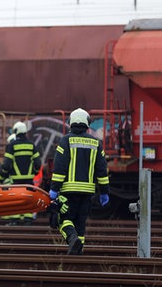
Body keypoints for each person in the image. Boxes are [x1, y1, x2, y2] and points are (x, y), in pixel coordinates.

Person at [49, 108, 110, 255]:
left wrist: (54, 189)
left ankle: (72, 239)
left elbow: (59, 168)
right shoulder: (96, 143)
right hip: (87, 193)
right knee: (80, 222)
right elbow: (102, 171)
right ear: (87, 123)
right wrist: (104, 192)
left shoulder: (65, 141)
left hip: (69, 191)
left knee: (64, 219)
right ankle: (78, 252)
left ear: (71, 122)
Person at [0, 122, 42, 226]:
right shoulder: (31, 145)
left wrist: (0, 177)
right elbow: (38, 163)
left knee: (16, 199)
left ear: (16, 131)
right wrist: (34, 172)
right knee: (28, 198)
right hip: (29, 180)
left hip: (16, 180)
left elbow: (7, 164)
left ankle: (15, 221)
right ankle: (28, 220)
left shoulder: (12, 145)